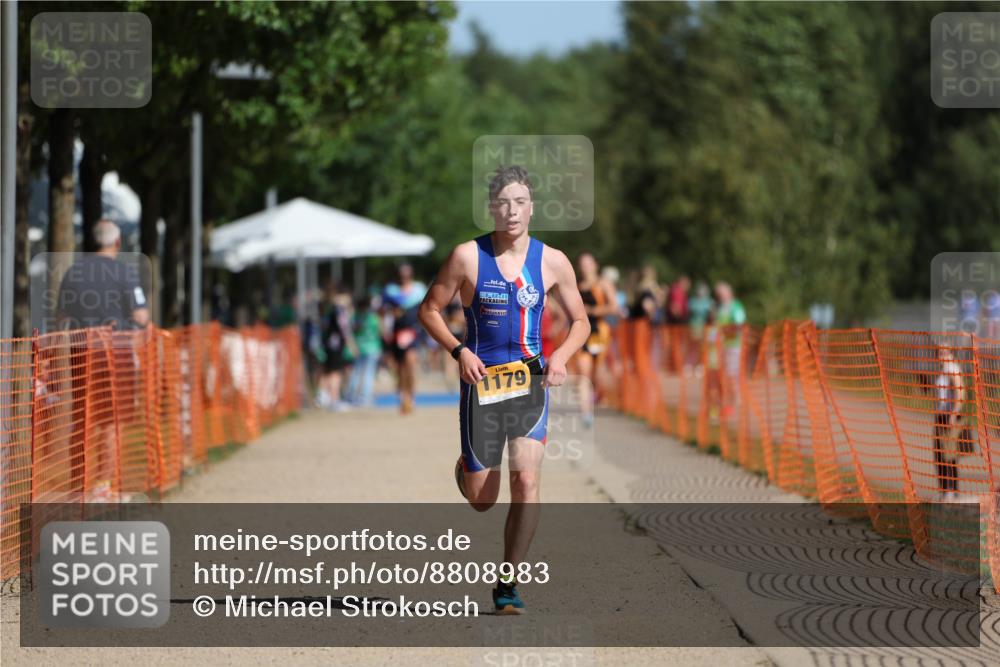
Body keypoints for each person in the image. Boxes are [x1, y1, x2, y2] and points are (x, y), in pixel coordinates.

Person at [418, 165, 590, 614]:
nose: (511, 212)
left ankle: (509, 582)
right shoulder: (466, 257)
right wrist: (460, 352)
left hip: (530, 382)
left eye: (520, 203)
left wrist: (561, 358)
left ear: (532, 208)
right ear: (491, 208)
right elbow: (430, 310)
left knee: (527, 479)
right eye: (503, 203)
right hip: (482, 383)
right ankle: (467, 469)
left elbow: (582, 321)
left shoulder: (553, 260)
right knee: (482, 500)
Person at [56, 219, 150, 502]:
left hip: (81, 353)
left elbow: (61, 319)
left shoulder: (72, 273)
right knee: (109, 420)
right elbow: (141, 316)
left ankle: (77, 488)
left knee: (81, 418)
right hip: (114, 352)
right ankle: (102, 486)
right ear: (117, 242)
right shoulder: (125, 273)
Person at [573, 252, 617, 427]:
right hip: (582, 332)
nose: (585, 267)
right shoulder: (577, 286)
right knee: (584, 373)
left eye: (588, 263)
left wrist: (591, 310)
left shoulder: (603, 284)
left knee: (598, 372)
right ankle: (586, 413)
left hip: (599, 331)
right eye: (582, 264)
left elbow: (613, 307)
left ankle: (601, 395)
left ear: (595, 265)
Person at [383, 264, 427, 414]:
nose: (404, 278)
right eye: (401, 275)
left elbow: (426, 309)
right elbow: (383, 311)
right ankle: (403, 396)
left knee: (410, 363)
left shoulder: (419, 289)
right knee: (399, 367)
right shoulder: (390, 290)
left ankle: (411, 397)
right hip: (396, 332)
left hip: (413, 331)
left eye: (406, 275)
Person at [933, 346, 971, 501]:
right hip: (941, 416)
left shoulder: (952, 368)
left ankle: (951, 492)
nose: (941, 354)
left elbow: (960, 392)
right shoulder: (942, 369)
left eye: (945, 351)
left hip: (949, 417)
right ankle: (946, 492)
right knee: (941, 456)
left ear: (951, 352)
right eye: (939, 351)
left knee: (948, 456)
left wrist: (954, 414)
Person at [318, 284, 356, 411]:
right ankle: (334, 399)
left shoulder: (329, 309)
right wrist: (351, 345)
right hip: (335, 345)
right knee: (335, 373)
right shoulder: (339, 310)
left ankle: (326, 396)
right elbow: (344, 329)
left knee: (329, 371)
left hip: (328, 345)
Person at [714, 281, 746, 418]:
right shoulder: (721, 308)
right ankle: (730, 397)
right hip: (723, 345)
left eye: (722, 293)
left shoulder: (736, 307)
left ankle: (736, 397)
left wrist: (726, 331)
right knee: (725, 373)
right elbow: (717, 326)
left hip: (734, 345)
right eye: (718, 294)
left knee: (732, 372)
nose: (720, 296)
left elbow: (739, 325)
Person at [345, 294, 382, 407]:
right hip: (372, 348)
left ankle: (351, 395)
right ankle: (365, 397)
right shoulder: (373, 317)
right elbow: (381, 331)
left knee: (356, 372)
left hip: (359, 348)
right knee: (368, 373)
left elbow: (351, 330)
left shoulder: (355, 317)